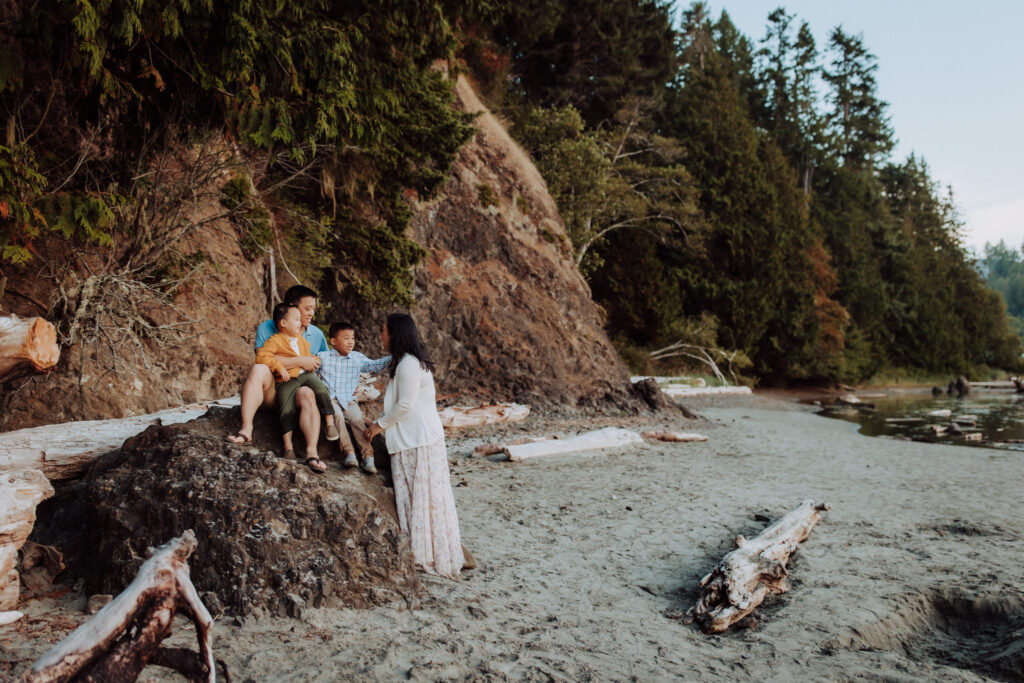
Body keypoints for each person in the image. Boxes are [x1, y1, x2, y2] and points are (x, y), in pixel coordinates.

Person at [364, 313, 462, 578]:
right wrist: (379, 421)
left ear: (395, 334)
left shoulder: (408, 364)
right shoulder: (405, 362)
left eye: (383, 330)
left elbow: (405, 404)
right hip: (415, 437)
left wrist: (378, 426)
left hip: (419, 439)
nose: (381, 335)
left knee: (422, 496)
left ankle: (425, 555)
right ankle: (428, 552)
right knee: (421, 496)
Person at [228, 285, 330, 446]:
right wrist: (301, 361)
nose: (312, 313)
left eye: (313, 309)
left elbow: (328, 365)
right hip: (272, 392)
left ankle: (311, 451)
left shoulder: (316, 334)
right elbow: (262, 358)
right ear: (291, 307)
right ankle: (246, 428)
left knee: (307, 391)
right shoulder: (267, 327)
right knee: (259, 369)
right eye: (308, 309)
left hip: (299, 395)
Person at [256, 303, 336, 473]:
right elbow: (262, 356)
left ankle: (329, 424)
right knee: (286, 408)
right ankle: (288, 448)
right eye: (297, 319)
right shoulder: (274, 340)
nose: (301, 323)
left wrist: (314, 361)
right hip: (286, 380)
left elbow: (311, 357)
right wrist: (279, 367)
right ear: (284, 323)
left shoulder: (302, 341)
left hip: (305, 376)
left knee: (320, 390)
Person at [316, 322, 390, 474]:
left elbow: (375, 365)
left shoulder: (357, 357)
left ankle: (368, 456)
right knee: (337, 416)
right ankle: (349, 452)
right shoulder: (322, 357)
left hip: (349, 399)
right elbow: (310, 372)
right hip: (331, 399)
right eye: (346, 338)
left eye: (353, 338)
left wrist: (395, 357)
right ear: (333, 341)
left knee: (357, 420)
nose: (351, 342)